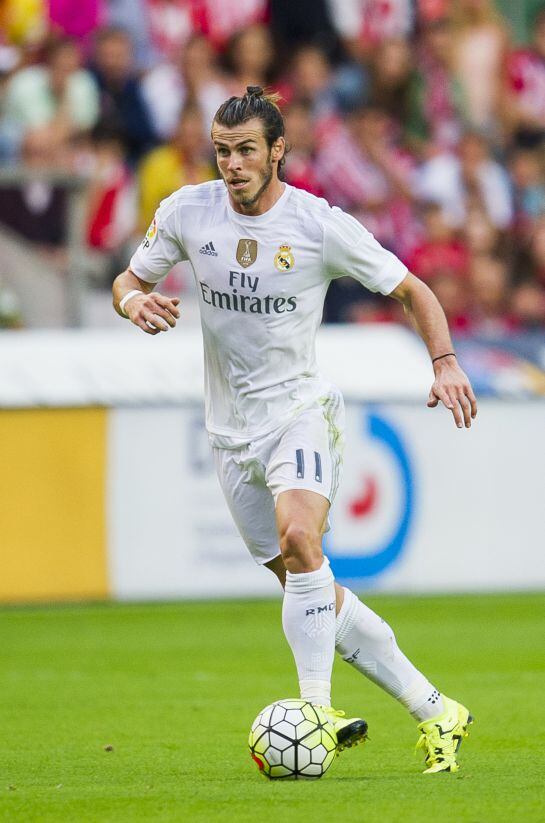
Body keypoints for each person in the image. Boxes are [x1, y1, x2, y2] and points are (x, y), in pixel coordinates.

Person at [112, 87, 477, 774]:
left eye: (247, 150)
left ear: (277, 150)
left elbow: (412, 289)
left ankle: (315, 708)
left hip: (298, 412)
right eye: (222, 151)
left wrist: (444, 361)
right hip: (229, 435)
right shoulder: (188, 211)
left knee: (299, 537)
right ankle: (435, 708)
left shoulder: (317, 224)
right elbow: (126, 279)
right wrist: (135, 301)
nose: (233, 164)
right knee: (311, 590)